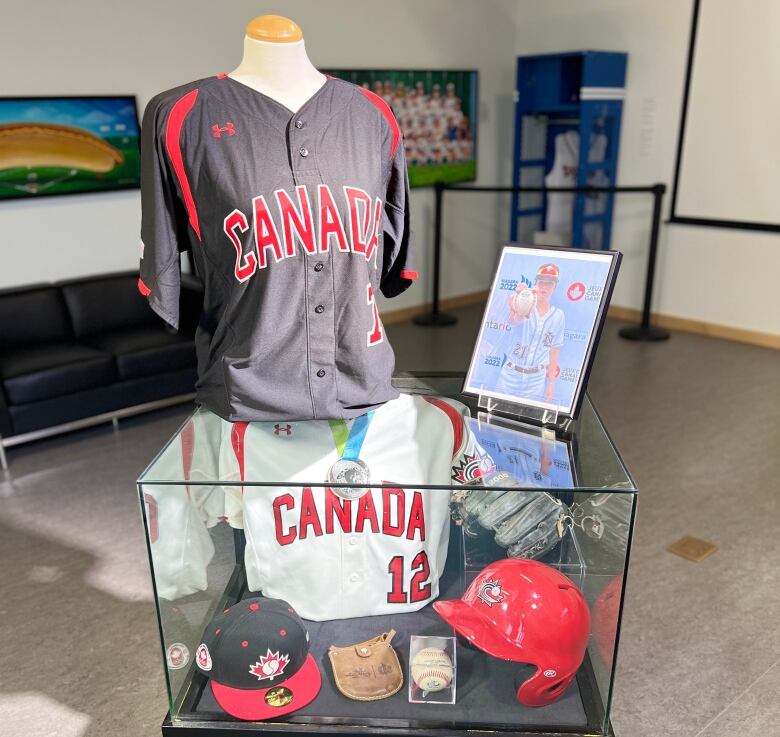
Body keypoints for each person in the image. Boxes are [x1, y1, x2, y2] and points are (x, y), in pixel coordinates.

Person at [494, 264, 565, 403]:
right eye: (541, 282)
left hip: (536, 379)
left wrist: (551, 384)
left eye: (549, 283)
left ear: (554, 287)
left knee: (530, 418)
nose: (544, 286)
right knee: (496, 413)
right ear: (535, 283)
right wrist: (519, 302)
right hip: (511, 374)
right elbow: (514, 320)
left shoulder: (558, 315)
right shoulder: (523, 302)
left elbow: (554, 350)